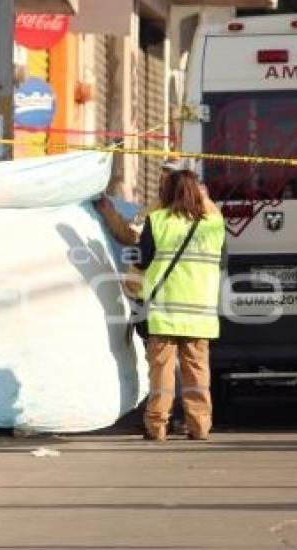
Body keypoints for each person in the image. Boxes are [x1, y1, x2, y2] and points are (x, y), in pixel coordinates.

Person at [124, 164, 226, 442]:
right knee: (197, 372)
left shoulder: (157, 221)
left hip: (164, 310)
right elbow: (224, 260)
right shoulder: (214, 225)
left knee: (161, 373)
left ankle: (156, 427)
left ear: (167, 193)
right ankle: (200, 426)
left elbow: (141, 260)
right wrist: (201, 196)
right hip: (200, 312)